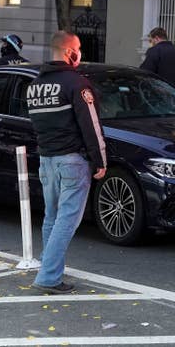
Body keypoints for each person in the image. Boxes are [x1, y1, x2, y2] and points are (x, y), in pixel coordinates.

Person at [27, 30, 107, 293]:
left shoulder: (35, 85)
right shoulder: (76, 84)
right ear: (68, 52)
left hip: (47, 159)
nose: (80, 53)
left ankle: (51, 273)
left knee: (51, 218)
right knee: (66, 221)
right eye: (78, 48)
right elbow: (91, 125)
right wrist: (100, 160)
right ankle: (49, 277)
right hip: (72, 160)